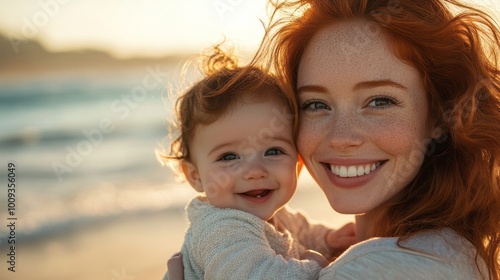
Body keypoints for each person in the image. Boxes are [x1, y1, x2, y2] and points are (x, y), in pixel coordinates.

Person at [167, 0, 500, 279]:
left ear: (441, 116)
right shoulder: (446, 250)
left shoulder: (405, 266)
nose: (341, 138)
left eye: (380, 101)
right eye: (315, 104)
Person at [161, 47, 355, 279]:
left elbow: (304, 231)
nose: (254, 171)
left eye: (273, 151)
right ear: (196, 176)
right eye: (229, 157)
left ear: (298, 164)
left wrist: (327, 239)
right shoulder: (221, 228)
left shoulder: (278, 215)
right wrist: (317, 265)